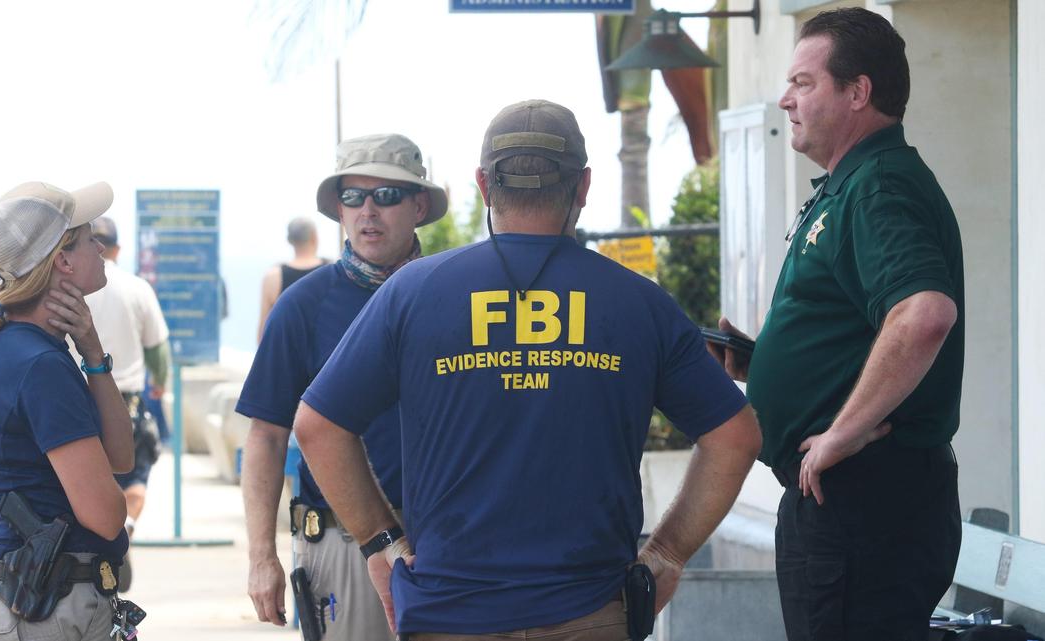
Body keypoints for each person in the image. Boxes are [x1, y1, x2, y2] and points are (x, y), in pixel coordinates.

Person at [291, 99, 762, 639]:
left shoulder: (412, 293)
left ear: (483, 185)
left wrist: (381, 544)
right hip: (591, 612)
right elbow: (735, 436)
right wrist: (668, 554)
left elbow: (317, 425)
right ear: (583, 186)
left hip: (448, 614)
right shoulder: (639, 303)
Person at [709, 9, 964, 641]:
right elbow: (864, 331)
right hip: (851, 506)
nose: (785, 99)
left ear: (858, 92)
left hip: (861, 503)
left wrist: (840, 435)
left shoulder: (877, 187)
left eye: (803, 82)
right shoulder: (852, 184)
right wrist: (763, 362)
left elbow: (924, 314)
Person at [238, 133, 448, 639]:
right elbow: (266, 435)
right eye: (353, 196)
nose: (367, 211)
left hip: (446, 539)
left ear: (419, 205)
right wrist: (262, 556)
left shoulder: (451, 296)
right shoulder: (302, 306)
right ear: (338, 209)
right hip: (343, 544)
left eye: (387, 195)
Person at [0, 181, 136, 641]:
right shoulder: (39, 367)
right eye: (89, 237)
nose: (101, 247)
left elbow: (121, 456)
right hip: (42, 604)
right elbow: (106, 515)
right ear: (63, 261)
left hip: (13, 590)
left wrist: (93, 355)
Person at [81, 216, 171, 592]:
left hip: (81, 400)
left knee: (86, 484)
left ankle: (96, 548)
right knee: (134, 481)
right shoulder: (137, 288)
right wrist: (160, 383)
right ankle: (126, 529)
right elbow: (157, 348)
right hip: (128, 402)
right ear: (116, 247)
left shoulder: (73, 288)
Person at [257, 216, 327, 343]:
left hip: (289, 352)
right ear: (314, 237)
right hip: (328, 352)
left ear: (289, 240)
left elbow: (263, 335)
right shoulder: (331, 272)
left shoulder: (273, 277)